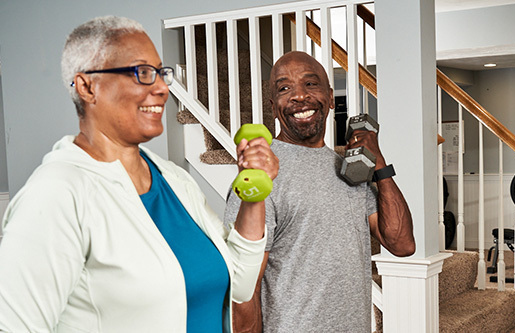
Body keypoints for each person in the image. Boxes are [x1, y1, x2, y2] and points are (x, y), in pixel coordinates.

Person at [0, 16, 278, 332]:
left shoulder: (173, 180)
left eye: (161, 73)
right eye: (141, 73)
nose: (161, 87)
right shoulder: (57, 194)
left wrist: (256, 192)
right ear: (87, 86)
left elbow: (239, 284)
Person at [224, 51, 415, 332]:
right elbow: (244, 289)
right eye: (284, 88)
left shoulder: (348, 169)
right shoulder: (261, 177)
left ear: (329, 95)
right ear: (273, 105)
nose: (299, 96)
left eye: (310, 84)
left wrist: (380, 166)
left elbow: (402, 244)